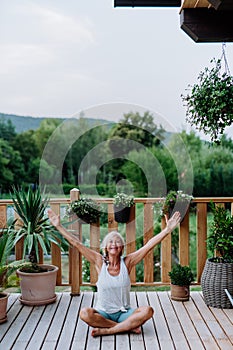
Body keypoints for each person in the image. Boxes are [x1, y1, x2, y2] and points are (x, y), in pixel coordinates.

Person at [48, 209, 180, 337]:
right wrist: (59, 226)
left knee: (148, 311)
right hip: (103, 313)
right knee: (85, 314)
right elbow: (76, 244)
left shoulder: (127, 262)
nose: (114, 244)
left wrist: (167, 230)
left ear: (121, 247)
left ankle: (108, 330)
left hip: (124, 313)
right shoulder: (99, 261)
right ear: (106, 247)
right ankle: (127, 327)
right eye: (110, 242)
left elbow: (148, 246)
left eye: (117, 242)